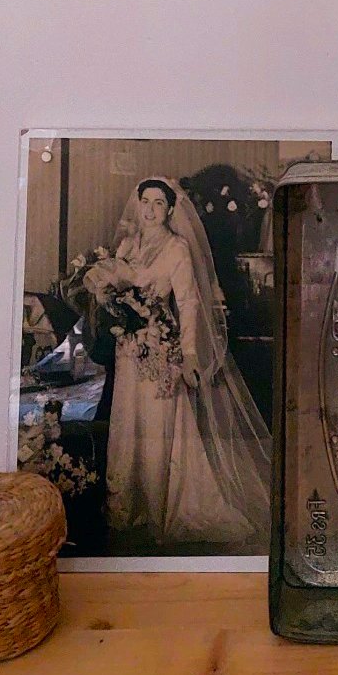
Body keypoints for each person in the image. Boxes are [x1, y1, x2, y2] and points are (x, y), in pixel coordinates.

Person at [83, 177, 269, 549]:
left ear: (170, 209)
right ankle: (126, 507)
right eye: (145, 202)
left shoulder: (177, 248)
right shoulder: (127, 246)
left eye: (158, 203)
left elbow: (188, 303)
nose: (150, 210)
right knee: (127, 424)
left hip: (160, 348)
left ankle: (157, 509)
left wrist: (189, 354)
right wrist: (109, 303)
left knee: (156, 428)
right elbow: (110, 289)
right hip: (128, 350)